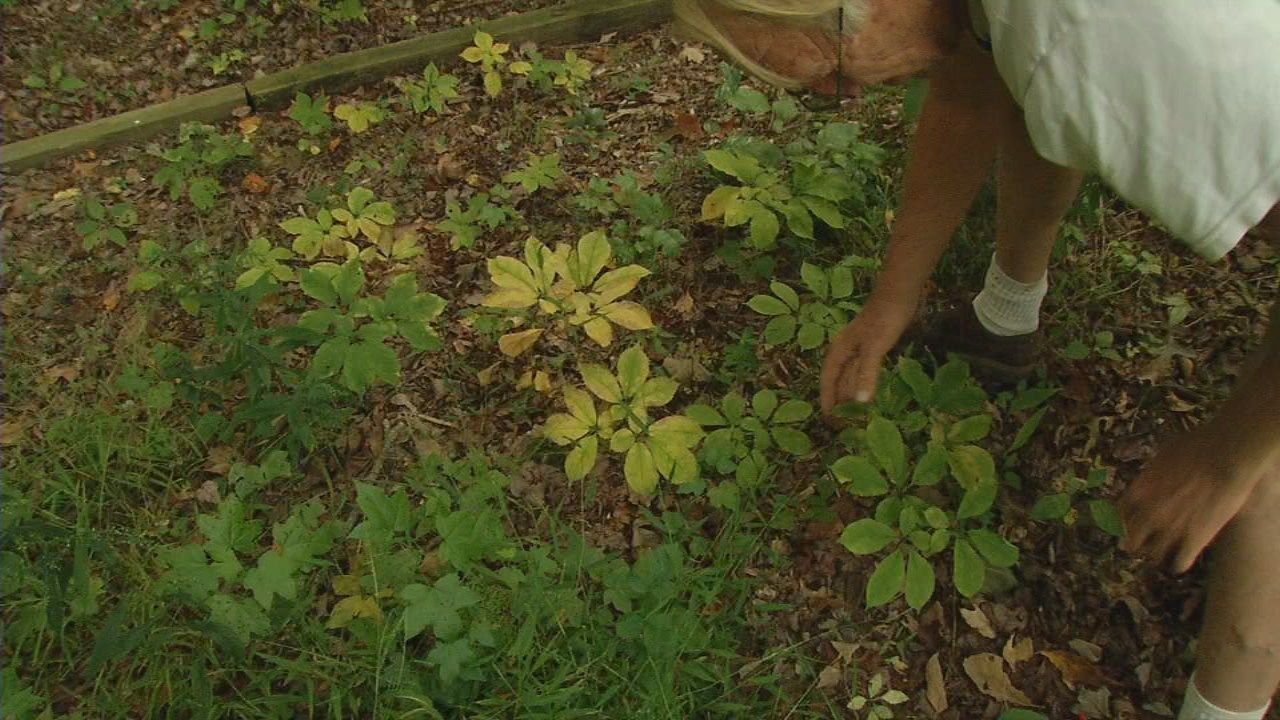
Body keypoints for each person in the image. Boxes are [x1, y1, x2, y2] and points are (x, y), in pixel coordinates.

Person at [673, 1, 1280, 718]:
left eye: (832, 67)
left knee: (1260, 488)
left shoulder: (1105, 46)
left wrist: (1224, 460)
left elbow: (1036, 67)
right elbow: (973, 89)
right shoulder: (1007, 19)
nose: (843, 97)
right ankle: (1005, 323)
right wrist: (890, 303)